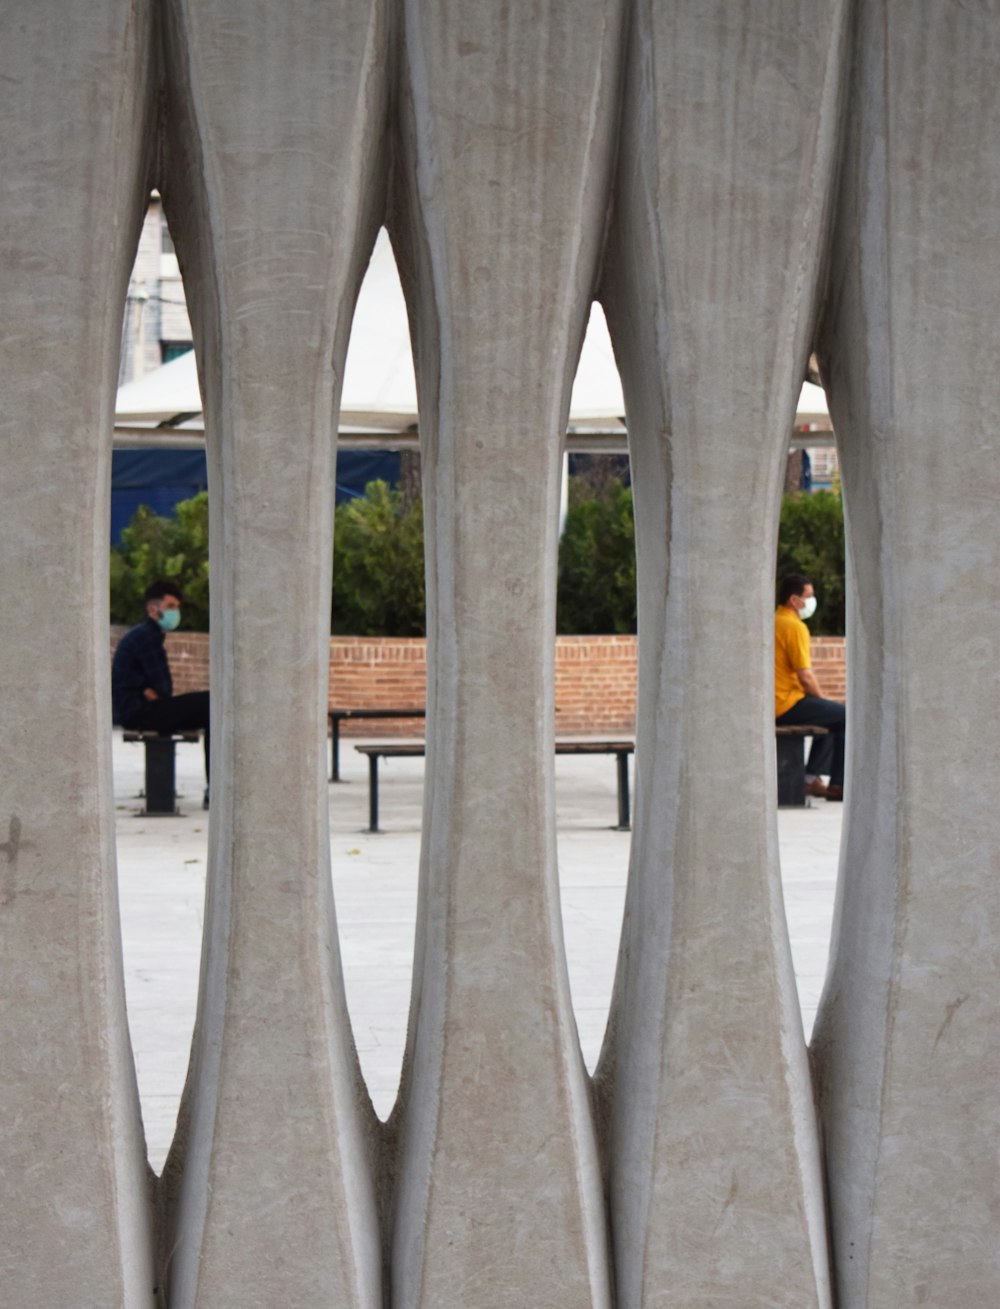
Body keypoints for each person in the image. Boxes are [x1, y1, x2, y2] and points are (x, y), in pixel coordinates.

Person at [112, 579, 211, 808]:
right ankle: (214, 787)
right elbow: (164, 687)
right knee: (210, 706)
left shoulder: (144, 635)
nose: (174, 612)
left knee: (208, 705)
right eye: (170, 606)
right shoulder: (147, 637)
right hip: (139, 712)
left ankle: (213, 786)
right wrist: (148, 690)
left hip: (135, 709)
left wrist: (148, 689)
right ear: (152, 609)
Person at [774, 573, 845, 800]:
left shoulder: (775, 620)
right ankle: (837, 785)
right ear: (794, 600)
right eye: (809, 596)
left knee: (830, 715)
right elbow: (805, 676)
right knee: (843, 716)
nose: (812, 601)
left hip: (775, 702)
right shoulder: (794, 627)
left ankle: (811, 778)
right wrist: (823, 699)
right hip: (786, 703)